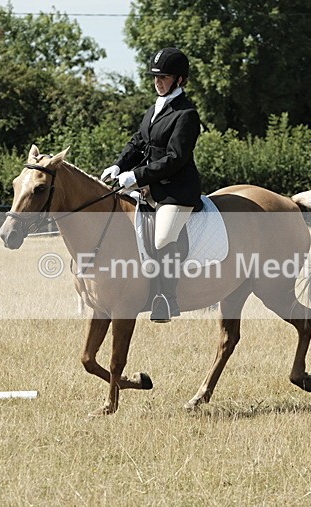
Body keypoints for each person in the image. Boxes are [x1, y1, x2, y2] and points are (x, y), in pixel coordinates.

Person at [101, 47, 203, 323]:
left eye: (164, 77)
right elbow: (138, 142)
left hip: (176, 192)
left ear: (179, 80)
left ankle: (167, 299)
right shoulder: (154, 108)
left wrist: (136, 176)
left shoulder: (187, 114)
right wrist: (119, 165)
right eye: (155, 77)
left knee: (162, 238)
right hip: (150, 188)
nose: (158, 82)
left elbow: (175, 159)